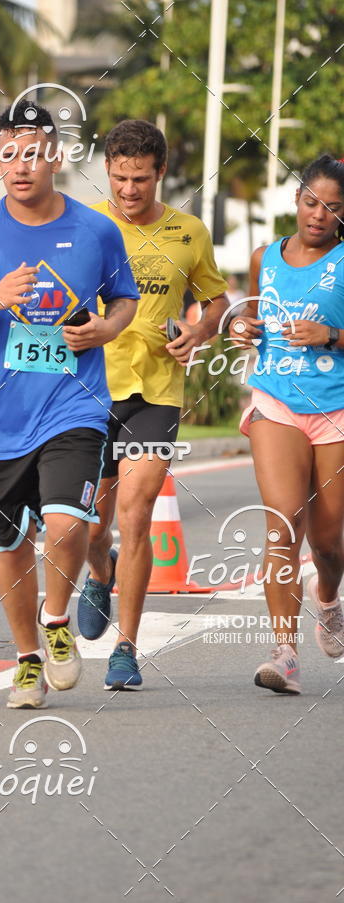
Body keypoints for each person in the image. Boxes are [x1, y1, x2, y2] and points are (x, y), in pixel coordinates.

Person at [0, 100, 139, 709]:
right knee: (8, 545)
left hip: (72, 404)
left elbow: (123, 300)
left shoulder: (97, 229)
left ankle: (57, 622)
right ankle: (26, 656)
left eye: (34, 152)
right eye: (9, 152)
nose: (21, 165)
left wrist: (105, 330)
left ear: (55, 157)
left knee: (69, 523)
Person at [77, 119, 228, 690]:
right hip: (88, 391)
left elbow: (215, 301)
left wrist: (200, 330)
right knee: (92, 528)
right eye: (119, 178)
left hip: (156, 393)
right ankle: (99, 572)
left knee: (136, 515)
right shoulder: (86, 225)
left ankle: (127, 648)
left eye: (140, 179)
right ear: (108, 172)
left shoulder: (189, 232)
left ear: (160, 173)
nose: (129, 190)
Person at [230, 153, 344, 695]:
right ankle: (284, 652)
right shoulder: (265, 257)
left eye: (333, 207)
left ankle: (328, 598)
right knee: (282, 522)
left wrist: (331, 336)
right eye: (310, 202)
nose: (319, 215)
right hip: (276, 399)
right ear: (295, 200)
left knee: (327, 539)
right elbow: (249, 314)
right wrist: (242, 327)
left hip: (336, 410)